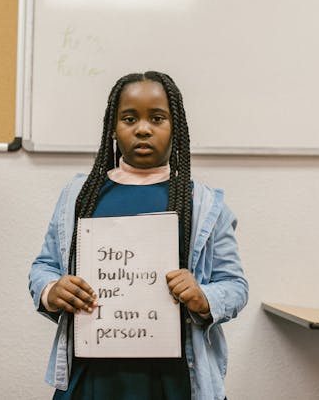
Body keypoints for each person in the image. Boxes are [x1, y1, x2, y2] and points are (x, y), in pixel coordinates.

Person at [28, 71, 248, 400]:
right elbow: (44, 265)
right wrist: (50, 289)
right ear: (113, 128)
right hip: (91, 378)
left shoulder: (203, 204)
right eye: (129, 118)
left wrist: (204, 297)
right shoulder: (79, 195)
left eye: (157, 118)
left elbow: (235, 285)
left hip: (174, 381)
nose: (143, 128)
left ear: (176, 128)